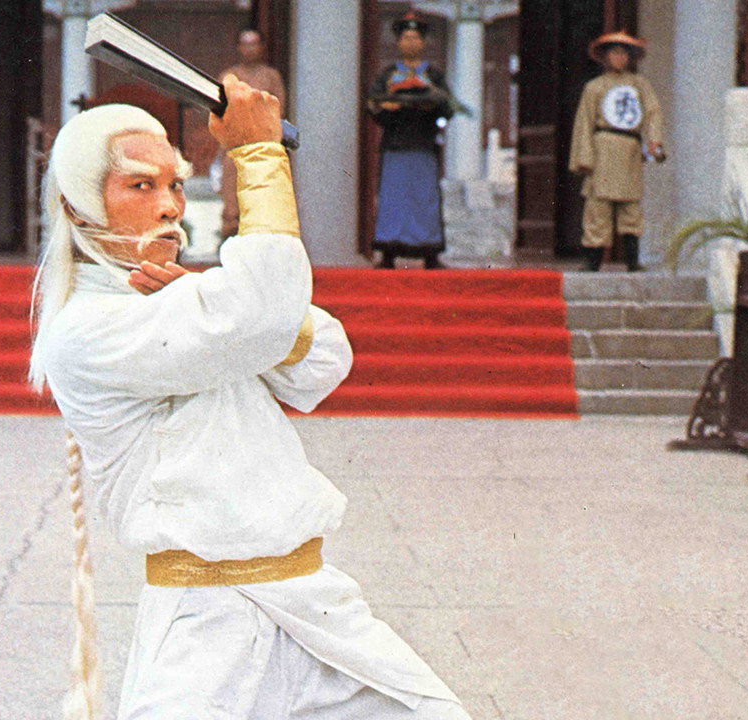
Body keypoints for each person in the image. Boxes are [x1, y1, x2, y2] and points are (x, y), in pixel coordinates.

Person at [29, 75, 471, 719]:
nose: (170, 206)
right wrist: (260, 156)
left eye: (176, 184)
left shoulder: (189, 305)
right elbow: (262, 315)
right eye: (140, 186)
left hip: (313, 603)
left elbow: (324, 361)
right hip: (206, 625)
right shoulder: (87, 330)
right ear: (78, 208)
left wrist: (199, 294)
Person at [569, 30, 666, 272]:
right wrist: (584, 157)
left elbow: (652, 113)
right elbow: (584, 122)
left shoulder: (639, 85)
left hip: (629, 149)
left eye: (624, 53)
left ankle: (632, 260)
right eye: (614, 53)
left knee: (630, 206)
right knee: (597, 206)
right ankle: (592, 260)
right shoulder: (594, 87)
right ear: (605, 57)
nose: (619, 58)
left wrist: (654, 140)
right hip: (603, 149)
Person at [367, 12, 453, 270]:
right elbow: (373, 104)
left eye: (415, 38)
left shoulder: (433, 75)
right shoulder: (388, 74)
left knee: (424, 198)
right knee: (393, 198)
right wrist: (391, 107)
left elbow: (447, 106)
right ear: (398, 42)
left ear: (423, 42)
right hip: (395, 143)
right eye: (406, 37)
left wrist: (428, 102)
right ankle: (389, 252)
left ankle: (429, 252)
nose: (411, 42)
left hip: (424, 144)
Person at [217, 28, 287, 239]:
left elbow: (279, 110)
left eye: (254, 44)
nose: (250, 49)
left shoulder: (271, 76)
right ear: (239, 47)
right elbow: (219, 111)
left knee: (263, 201)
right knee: (232, 203)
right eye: (245, 44)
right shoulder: (228, 76)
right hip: (234, 146)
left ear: (262, 47)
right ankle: (230, 239)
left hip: (263, 146)